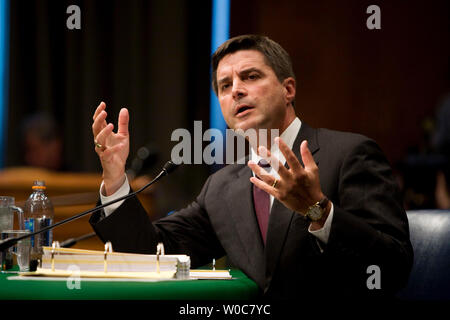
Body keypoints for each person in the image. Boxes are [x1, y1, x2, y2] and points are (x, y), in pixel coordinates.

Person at [90, 35, 413, 299]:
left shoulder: (350, 154)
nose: (236, 91)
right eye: (224, 85)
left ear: (288, 89)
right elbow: (151, 254)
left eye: (251, 76)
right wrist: (116, 178)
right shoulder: (222, 187)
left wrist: (316, 211)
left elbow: (391, 267)